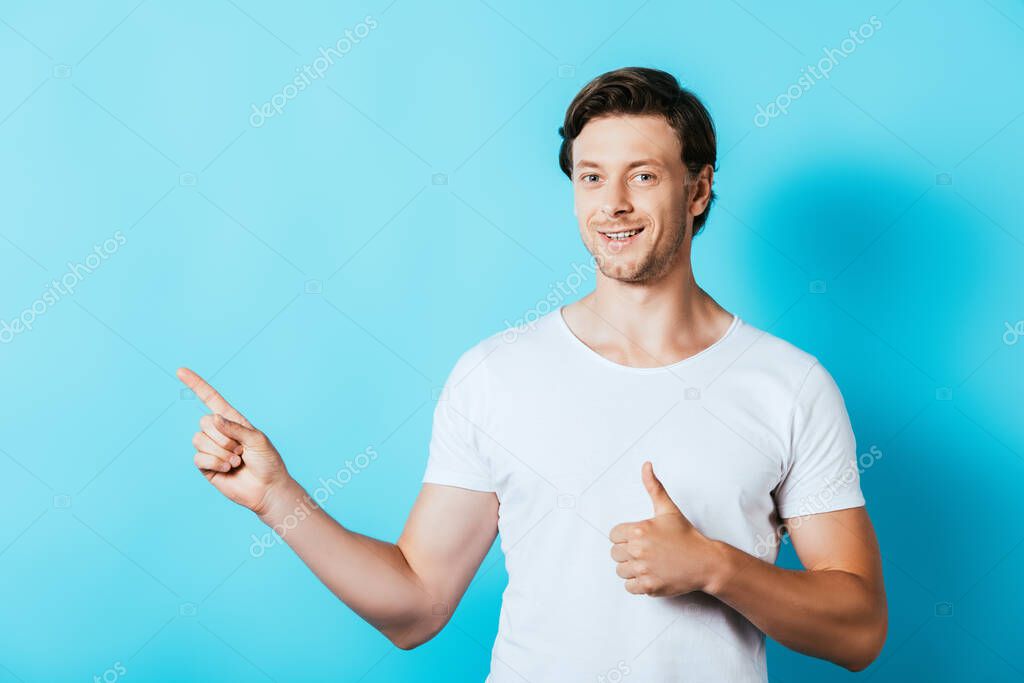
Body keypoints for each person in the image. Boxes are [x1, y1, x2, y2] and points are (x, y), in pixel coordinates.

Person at [178, 66, 887, 681]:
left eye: (643, 176)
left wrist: (714, 567)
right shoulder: (497, 373)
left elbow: (859, 632)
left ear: (698, 190)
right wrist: (279, 498)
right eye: (591, 177)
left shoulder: (788, 384)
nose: (613, 204)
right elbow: (416, 605)